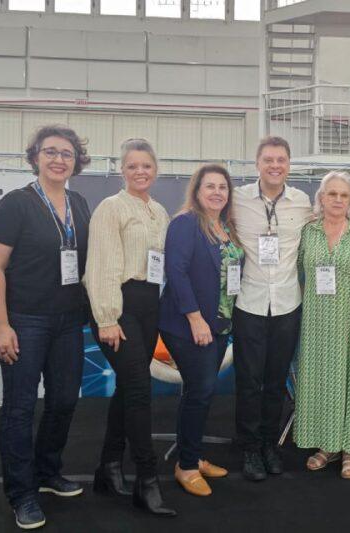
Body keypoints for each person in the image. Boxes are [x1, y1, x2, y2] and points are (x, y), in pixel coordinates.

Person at [0, 125, 91, 530]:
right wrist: (0, 325)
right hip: (25, 321)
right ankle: (21, 493)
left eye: (67, 153)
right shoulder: (17, 203)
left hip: (68, 321)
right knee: (19, 408)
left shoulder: (79, 203)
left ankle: (47, 472)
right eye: (51, 152)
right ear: (36, 157)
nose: (59, 159)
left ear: (76, 161)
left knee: (64, 400)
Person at [83, 139, 175, 515]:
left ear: (156, 170)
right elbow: (100, 265)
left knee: (128, 386)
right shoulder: (110, 208)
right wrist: (107, 318)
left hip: (148, 304)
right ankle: (147, 480)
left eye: (147, 166)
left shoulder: (159, 211)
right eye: (133, 166)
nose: (141, 171)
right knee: (139, 388)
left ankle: (108, 467)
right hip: (118, 304)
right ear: (122, 170)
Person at [231, 136, 313, 481]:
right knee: (249, 381)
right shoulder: (237, 199)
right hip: (248, 302)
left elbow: (328, 226)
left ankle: (269, 445)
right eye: (268, 160)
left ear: (289, 165)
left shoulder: (302, 201)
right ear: (257, 164)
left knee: (276, 381)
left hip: (286, 304)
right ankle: (249, 449)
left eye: (281, 159)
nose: (274, 165)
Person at [160, 164, 243, 497]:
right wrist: (195, 319)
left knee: (199, 392)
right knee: (201, 390)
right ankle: (187, 467)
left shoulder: (225, 228)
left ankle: (189, 453)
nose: (217, 192)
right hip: (188, 325)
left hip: (221, 324)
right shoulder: (185, 223)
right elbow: (176, 273)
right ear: (196, 191)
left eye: (223, 187)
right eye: (210, 186)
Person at [294, 171, 350, 480]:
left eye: (344, 195)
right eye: (332, 194)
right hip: (316, 323)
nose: (338, 200)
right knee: (320, 384)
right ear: (320, 198)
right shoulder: (309, 232)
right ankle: (327, 447)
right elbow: (296, 275)